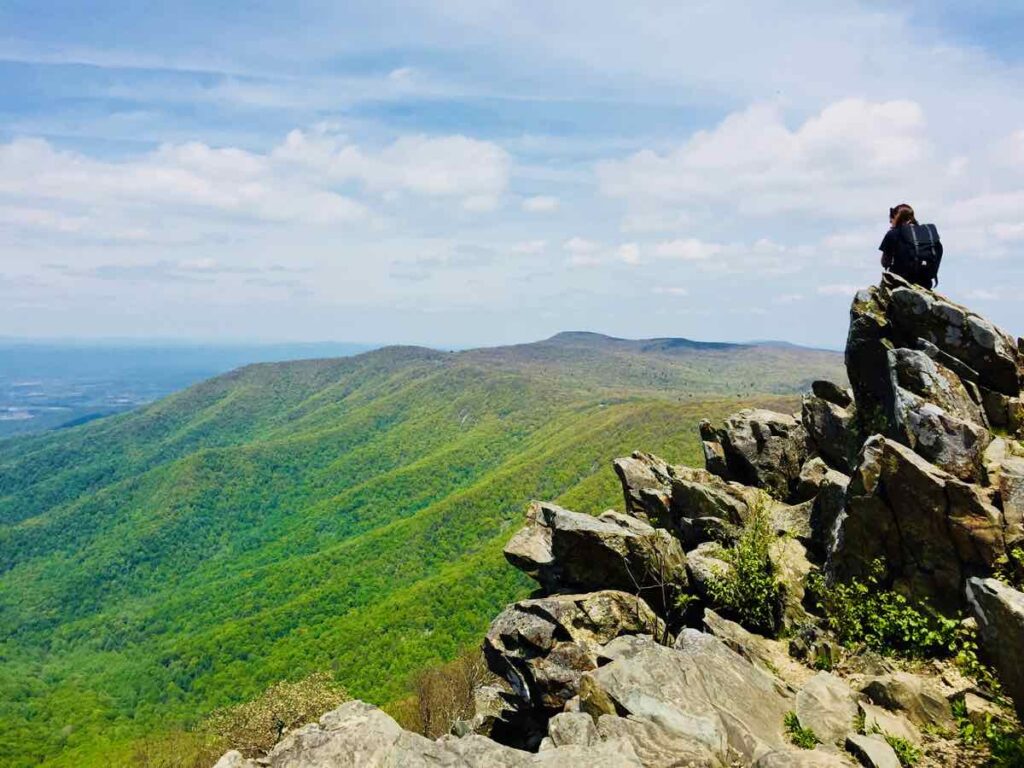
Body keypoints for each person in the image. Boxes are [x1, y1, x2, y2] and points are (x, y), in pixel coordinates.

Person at [879, 203, 943, 288]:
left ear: (896, 217)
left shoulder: (893, 234)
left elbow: (884, 262)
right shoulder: (929, 234)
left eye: (892, 219)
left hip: (900, 283)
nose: (891, 222)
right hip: (925, 284)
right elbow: (939, 251)